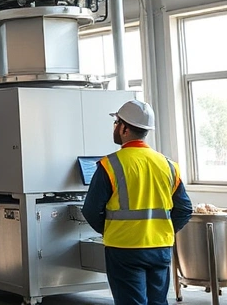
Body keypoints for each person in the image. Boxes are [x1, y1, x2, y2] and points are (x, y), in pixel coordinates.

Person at [83, 100, 193, 305]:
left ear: (124, 128)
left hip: (124, 248)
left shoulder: (110, 164)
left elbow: (90, 210)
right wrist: (162, 229)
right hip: (160, 246)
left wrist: (110, 231)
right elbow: (185, 209)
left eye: (116, 123)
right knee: (158, 302)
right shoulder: (168, 165)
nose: (114, 127)